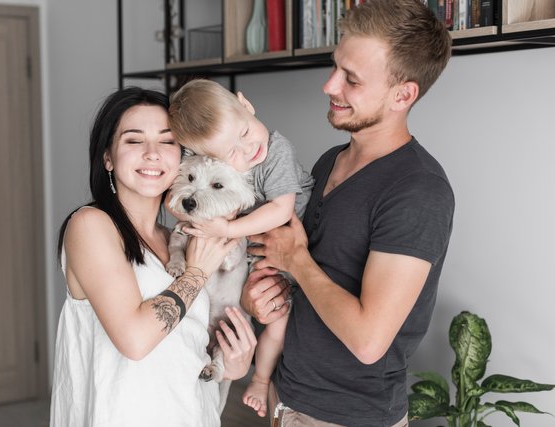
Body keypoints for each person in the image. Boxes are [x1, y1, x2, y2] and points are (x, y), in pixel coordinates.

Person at [241, 0, 455, 425]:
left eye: (351, 79)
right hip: (290, 403)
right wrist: (259, 301)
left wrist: (295, 260)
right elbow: (306, 283)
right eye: (335, 67)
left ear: (403, 94)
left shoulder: (418, 190)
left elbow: (368, 341)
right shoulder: (328, 163)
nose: (329, 85)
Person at [49, 86, 256, 427]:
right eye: (134, 140)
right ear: (108, 158)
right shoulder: (90, 226)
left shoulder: (183, 238)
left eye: (166, 140)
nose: (152, 153)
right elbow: (134, 340)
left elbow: (192, 343)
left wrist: (235, 363)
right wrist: (196, 273)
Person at [168, 78, 314, 417]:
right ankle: (226, 369)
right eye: (230, 152)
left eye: (245, 133)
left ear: (246, 105)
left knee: (278, 323)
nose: (246, 151)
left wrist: (228, 228)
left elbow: (281, 210)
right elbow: (182, 194)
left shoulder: (276, 151)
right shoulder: (225, 166)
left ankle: (261, 379)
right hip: (257, 256)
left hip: (289, 249)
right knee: (257, 318)